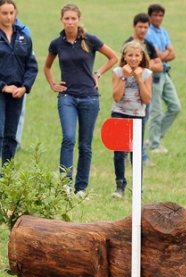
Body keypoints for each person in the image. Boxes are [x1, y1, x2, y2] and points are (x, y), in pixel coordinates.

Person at [43, 3, 117, 196]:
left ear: (78, 20)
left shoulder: (90, 40)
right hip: (67, 96)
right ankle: (65, 184)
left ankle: (81, 188)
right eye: (66, 18)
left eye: (73, 18)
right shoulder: (56, 43)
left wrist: (98, 74)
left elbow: (113, 57)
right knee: (68, 138)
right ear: (61, 20)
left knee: (85, 144)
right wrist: (53, 84)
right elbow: (47, 67)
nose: (69, 22)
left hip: (89, 98)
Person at [110, 40, 151, 198]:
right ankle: (120, 185)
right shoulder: (118, 72)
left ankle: (137, 188)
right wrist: (124, 78)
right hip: (120, 113)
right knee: (119, 152)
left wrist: (140, 79)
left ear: (141, 57)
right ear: (124, 57)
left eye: (136, 55)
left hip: (137, 115)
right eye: (130, 55)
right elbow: (117, 97)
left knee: (136, 152)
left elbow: (147, 99)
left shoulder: (147, 74)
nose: (133, 59)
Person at [0, 0, 36, 165]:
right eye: (4, 13)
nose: (8, 17)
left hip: (17, 94)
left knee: (11, 136)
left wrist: (24, 87)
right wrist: (4, 86)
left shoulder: (24, 37)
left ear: (16, 13)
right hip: (1, 91)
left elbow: (31, 66)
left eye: (11, 13)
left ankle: (5, 177)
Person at [124, 12, 162, 166]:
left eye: (146, 27)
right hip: (128, 92)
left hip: (145, 89)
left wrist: (142, 66)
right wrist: (146, 65)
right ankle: (124, 153)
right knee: (127, 123)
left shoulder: (148, 44)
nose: (143, 30)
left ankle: (140, 154)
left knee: (142, 122)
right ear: (134, 26)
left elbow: (159, 66)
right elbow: (124, 66)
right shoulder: (128, 44)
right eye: (140, 27)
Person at [145, 3, 180, 154]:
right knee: (156, 110)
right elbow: (159, 56)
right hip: (155, 75)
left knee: (175, 107)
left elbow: (173, 53)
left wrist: (163, 55)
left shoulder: (163, 32)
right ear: (150, 17)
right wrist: (165, 55)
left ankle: (155, 137)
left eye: (160, 16)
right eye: (155, 15)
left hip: (165, 72)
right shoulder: (148, 33)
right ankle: (154, 145)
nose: (158, 18)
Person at [12, 15, 30, 148]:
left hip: (19, 80)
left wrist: (25, 84)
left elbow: (30, 57)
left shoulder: (24, 30)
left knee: (19, 113)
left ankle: (16, 142)